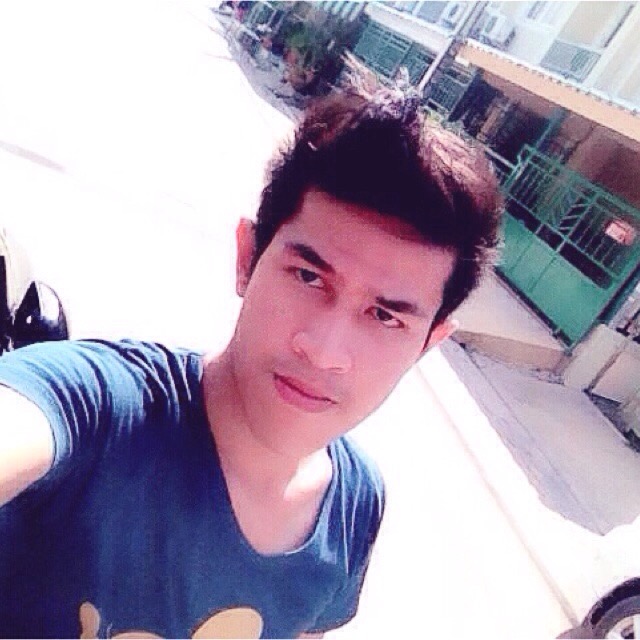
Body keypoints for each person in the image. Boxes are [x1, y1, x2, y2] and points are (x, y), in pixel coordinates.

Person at [0, 62, 502, 638]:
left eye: (385, 316)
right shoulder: (99, 410)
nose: (324, 350)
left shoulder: (354, 508)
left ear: (428, 342)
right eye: (309, 277)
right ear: (247, 258)